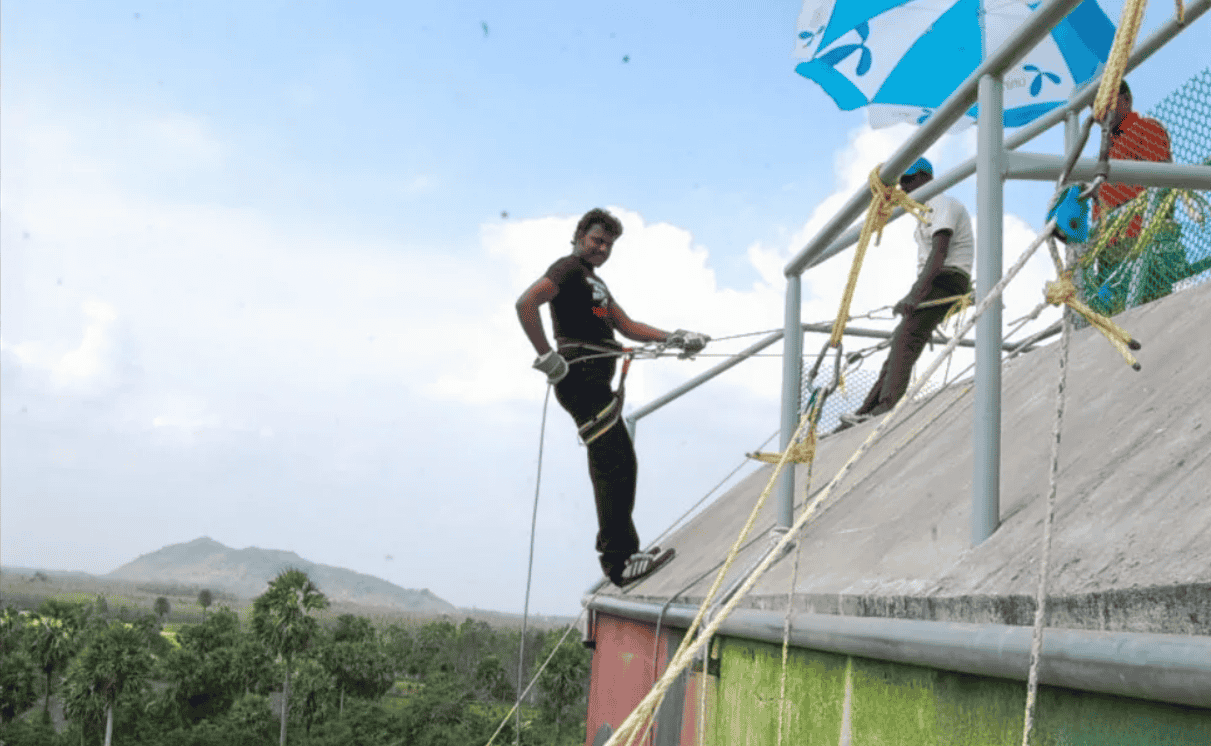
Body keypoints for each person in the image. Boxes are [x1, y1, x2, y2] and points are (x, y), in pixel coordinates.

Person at [515, 208, 709, 587]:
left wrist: (672, 337)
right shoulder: (567, 269)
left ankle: (621, 552)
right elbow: (527, 303)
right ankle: (619, 561)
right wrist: (547, 356)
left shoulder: (592, 285)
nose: (602, 248)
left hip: (596, 375)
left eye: (609, 244)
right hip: (581, 375)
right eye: (596, 239)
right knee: (614, 464)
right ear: (579, 236)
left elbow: (624, 325)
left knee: (620, 463)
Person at [839, 157, 974, 427]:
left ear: (926, 177)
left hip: (947, 278)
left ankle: (886, 405)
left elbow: (940, 252)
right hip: (937, 278)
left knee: (907, 337)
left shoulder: (941, 203)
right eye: (903, 182)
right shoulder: (924, 211)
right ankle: (869, 407)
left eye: (910, 180)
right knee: (902, 338)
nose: (906, 186)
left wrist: (915, 294)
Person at [1087, 79, 1184, 314]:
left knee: (1149, 314)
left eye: (1105, 103)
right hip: (1108, 256)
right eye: (1094, 108)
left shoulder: (1146, 129)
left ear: (1126, 100)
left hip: (1141, 242)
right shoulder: (1102, 156)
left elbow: (1163, 186)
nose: (1099, 112)